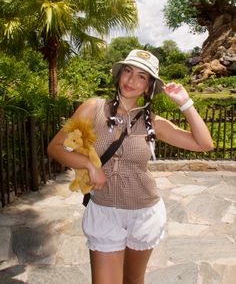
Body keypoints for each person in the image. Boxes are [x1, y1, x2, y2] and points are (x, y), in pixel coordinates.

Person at [47, 49, 214, 284]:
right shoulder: (92, 108)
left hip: (144, 213)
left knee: (133, 280)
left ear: (148, 87)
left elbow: (204, 144)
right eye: (128, 71)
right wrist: (89, 165)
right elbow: (55, 147)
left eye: (141, 76)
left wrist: (185, 103)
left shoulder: (153, 123)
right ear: (119, 75)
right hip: (104, 210)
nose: (131, 80)